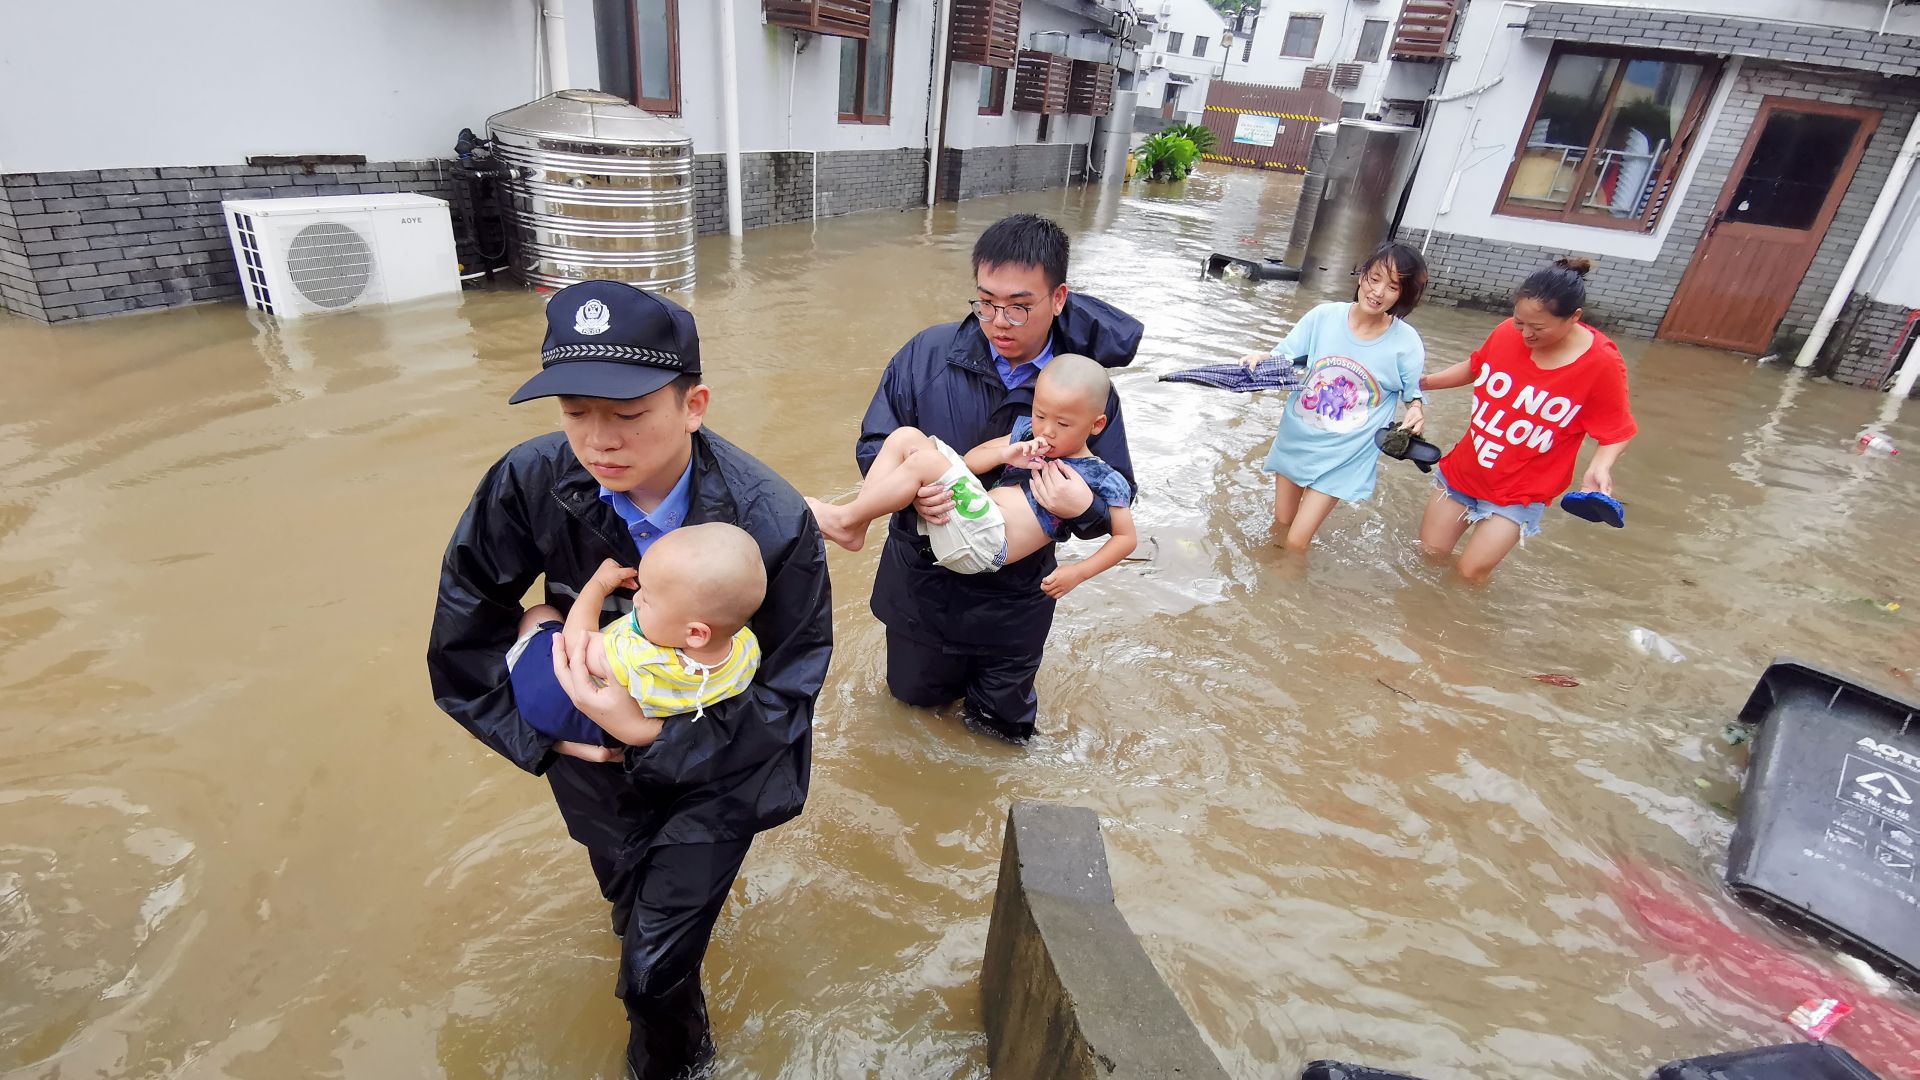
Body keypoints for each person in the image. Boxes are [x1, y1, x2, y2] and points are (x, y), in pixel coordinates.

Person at [426, 280, 832, 1079]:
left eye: (629, 414)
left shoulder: (773, 522)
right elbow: (462, 630)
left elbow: (788, 691)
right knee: (626, 904)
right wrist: (548, 742)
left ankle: (677, 1065)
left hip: (722, 768)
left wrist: (647, 742)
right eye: (576, 412)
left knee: (649, 975)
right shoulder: (530, 479)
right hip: (589, 763)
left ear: (694, 404)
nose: (599, 441)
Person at [855, 214, 1142, 742]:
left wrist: (1085, 510)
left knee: (999, 736)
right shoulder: (926, 355)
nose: (999, 321)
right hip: (923, 588)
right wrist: (914, 497)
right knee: (912, 716)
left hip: (1015, 602)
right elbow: (876, 445)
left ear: (1059, 299)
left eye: (1019, 306)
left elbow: (1116, 494)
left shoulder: (1084, 390)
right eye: (985, 302)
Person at [814, 355, 1136, 595]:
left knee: (925, 462)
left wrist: (1078, 572)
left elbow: (1126, 538)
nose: (1047, 430)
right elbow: (971, 461)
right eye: (1040, 415)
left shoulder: (1104, 477)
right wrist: (1006, 454)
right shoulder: (1025, 433)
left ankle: (843, 521)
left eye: (1063, 424)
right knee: (906, 437)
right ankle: (856, 525)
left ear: (1096, 425)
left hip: (989, 545)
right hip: (971, 518)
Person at [1416, 256, 1637, 580]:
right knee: (1427, 558)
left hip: (1521, 491)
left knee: (1469, 575)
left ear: (1574, 318)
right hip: (1466, 472)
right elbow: (1476, 367)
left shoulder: (1601, 364)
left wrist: (1599, 466)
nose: (1525, 334)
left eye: (1538, 328)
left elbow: (1617, 430)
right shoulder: (1507, 333)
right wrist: (1426, 382)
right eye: (1520, 322)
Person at [1239, 242, 1430, 549]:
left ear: (1403, 295)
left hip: (1345, 454)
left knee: (1297, 542)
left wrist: (1416, 409)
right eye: (1375, 278)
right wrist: (1261, 356)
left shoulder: (1406, 342)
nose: (1378, 292)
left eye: (1392, 286)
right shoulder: (1324, 316)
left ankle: (1289, 593)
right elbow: (1285, 357)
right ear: (1362, 275)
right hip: (1298, 439)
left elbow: (1413, 394)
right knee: (1281, 525)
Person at [506, 522, 766, 747]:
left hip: (568, 707)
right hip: (638, 727)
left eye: (648, 599)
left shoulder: (638, 659)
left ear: (696, 633)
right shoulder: (746, 648)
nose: (636, 599)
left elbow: (576, 646)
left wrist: (598, 586)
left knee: (540, 614)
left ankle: (513, 684)